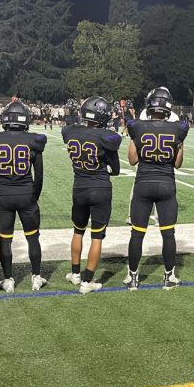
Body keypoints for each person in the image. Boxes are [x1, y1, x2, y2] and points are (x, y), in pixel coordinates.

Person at [124, 87, 189, 290]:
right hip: (166, 184)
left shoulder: (138, 126)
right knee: (168, 234)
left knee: (137, 233)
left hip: (143, 183)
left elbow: (132, 160)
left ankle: (133, 278)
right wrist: (179, 144)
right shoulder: (177, 129)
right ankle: (168, 277)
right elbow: (177, 164)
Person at [0, 101, 48, 293]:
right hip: (26, 193)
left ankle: (8, 279)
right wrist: (32, 196)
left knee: (5, 239)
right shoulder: (34, 141)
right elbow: (40, 175)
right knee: (33, 237)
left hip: (3, 194)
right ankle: (36, 277)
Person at [62, 96, 121, 293]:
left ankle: (75, 274)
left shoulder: (70, 132)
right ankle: (87, 282)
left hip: (79, 187)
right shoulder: (106, 137)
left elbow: (71, 131)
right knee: (97, 237)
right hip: (101, 188)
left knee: (78, 231)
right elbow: (116, 167)